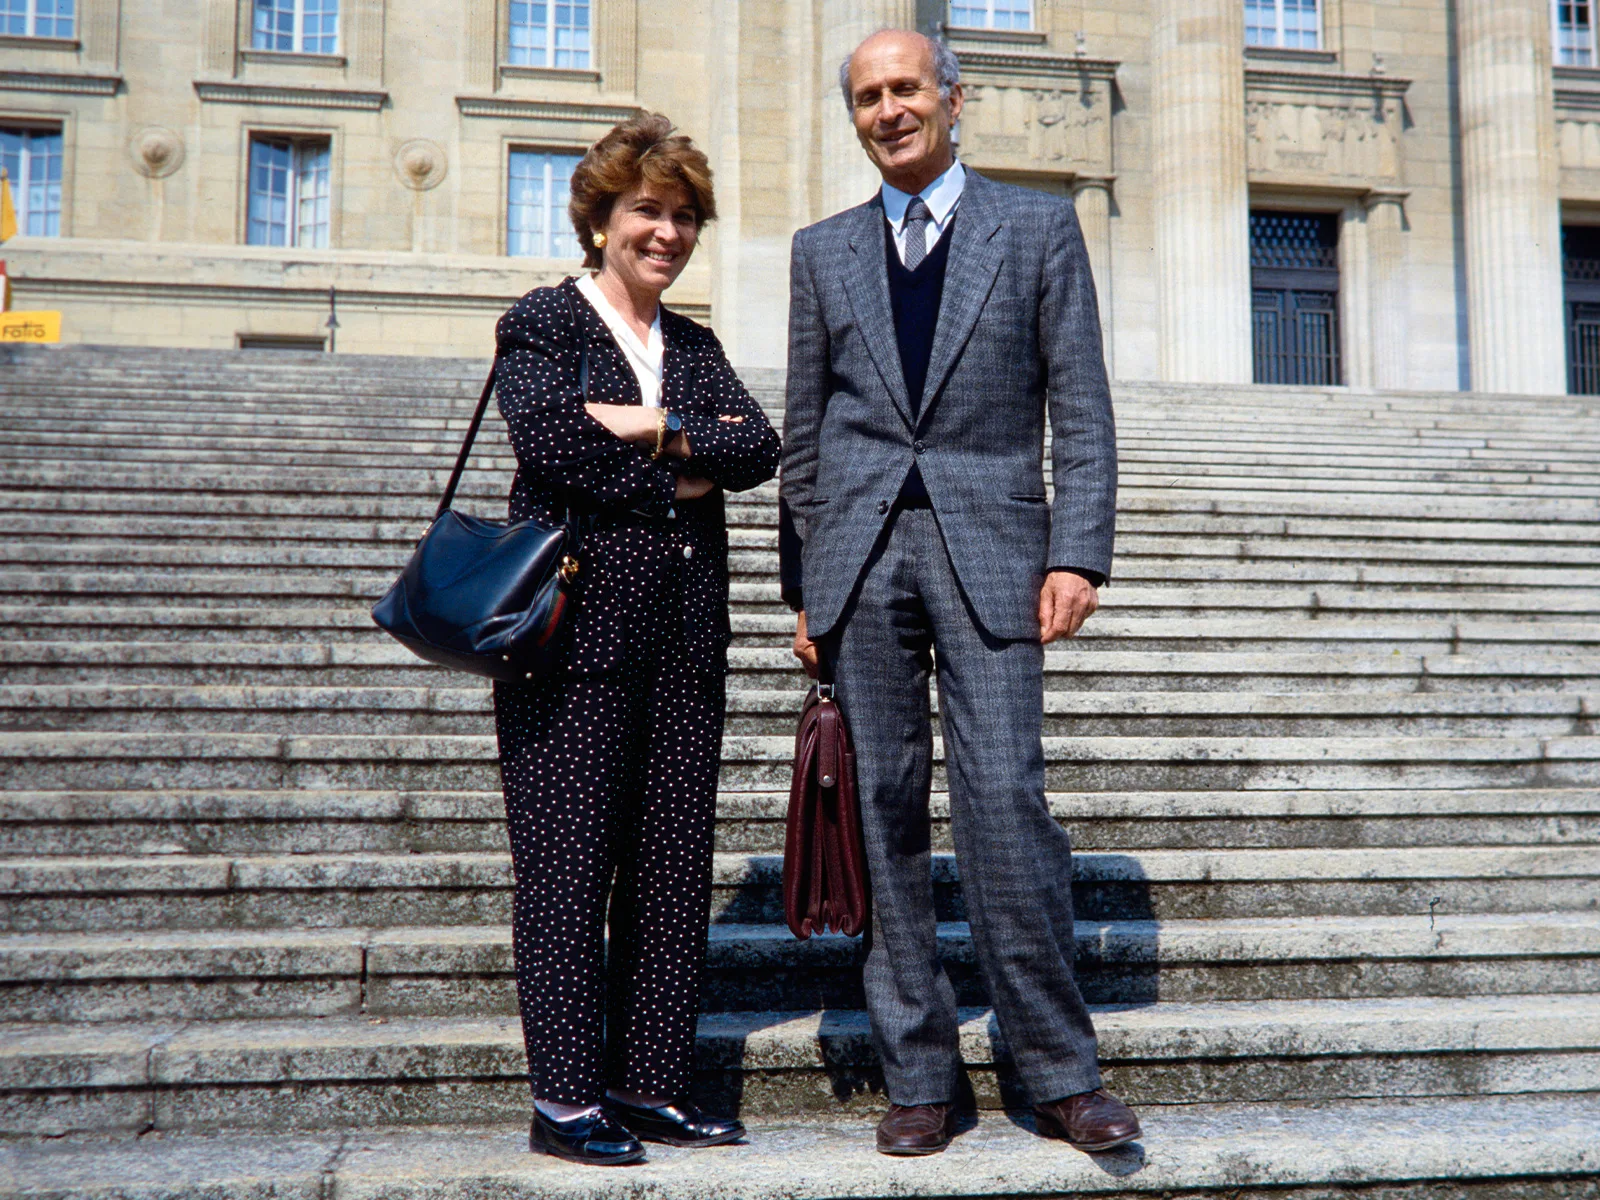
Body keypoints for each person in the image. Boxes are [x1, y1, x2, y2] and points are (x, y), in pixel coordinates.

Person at [778, 30, 1140, 1157]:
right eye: (868, 97)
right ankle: (919, 1075)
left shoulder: (1034, 227)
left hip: (993, 549)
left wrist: (1077, 552)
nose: (889, 110)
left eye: (905, 89)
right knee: (880, 819)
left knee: (1003, 805)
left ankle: (1057, 1071)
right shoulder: (822, 250)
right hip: (858, 555)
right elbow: (806, 428)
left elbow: (1078, 403)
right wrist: (802, 584)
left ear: (951, 97)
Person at [492, 113, 781, 1166]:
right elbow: (553, 442)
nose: (667, 233)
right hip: (567, 642)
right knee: (567, 871)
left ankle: (650, 1084)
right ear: (602, 218)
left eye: (683, 217)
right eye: (647, 212)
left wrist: (650, 423)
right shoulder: (544, 322)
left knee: (668, 869)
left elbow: (758, 448)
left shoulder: (692, 346)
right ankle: (565, 1099)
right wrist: (678, 472)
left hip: (683, 646)